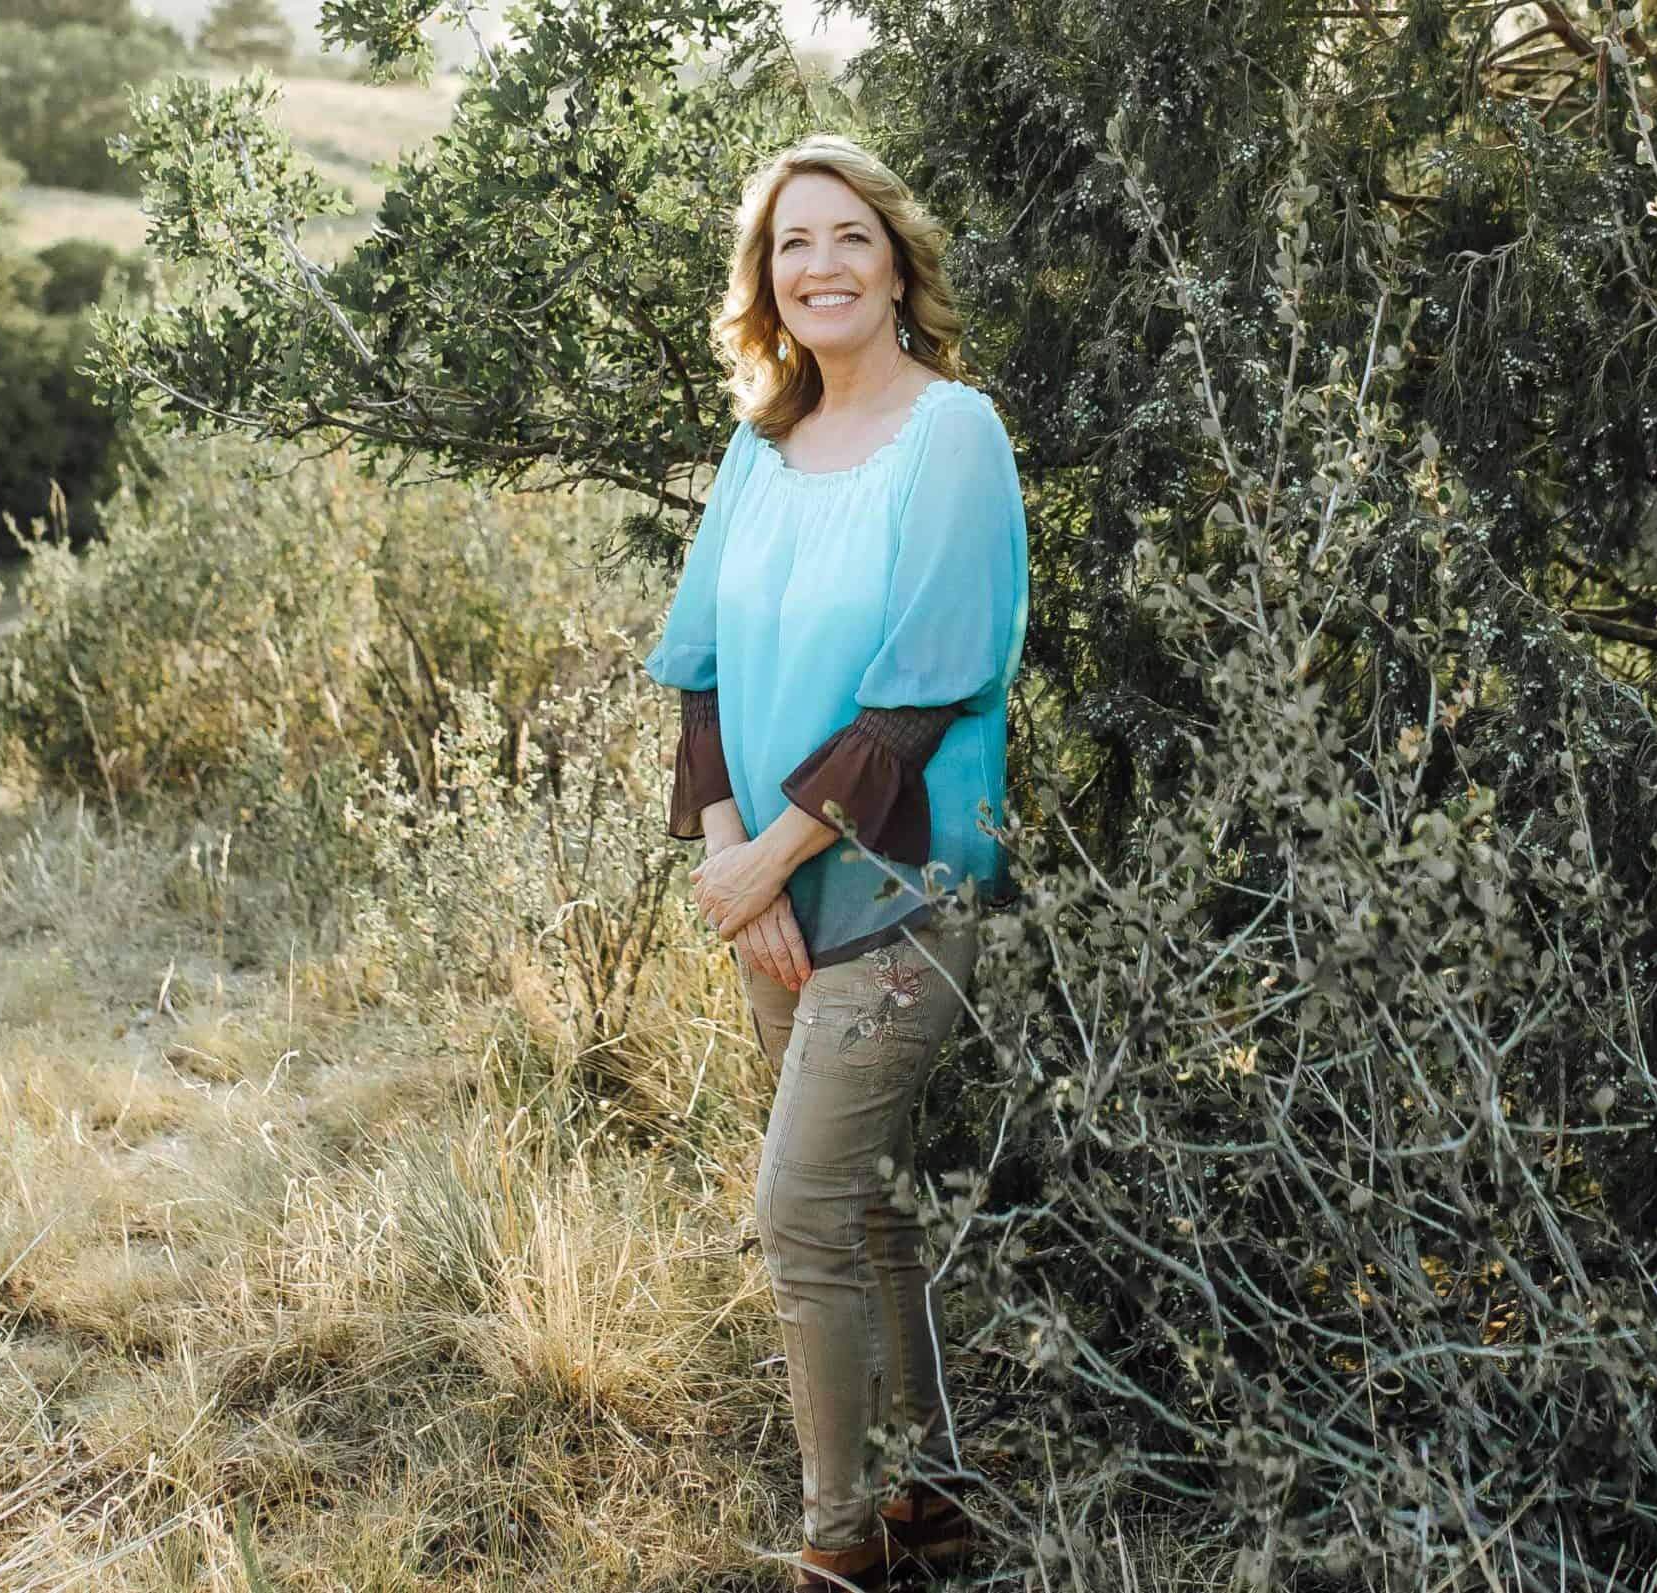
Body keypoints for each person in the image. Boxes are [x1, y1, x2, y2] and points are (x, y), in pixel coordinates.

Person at [639, 132, 1029, 1591]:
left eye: (848, 237)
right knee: (865, 1205)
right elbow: (700, 667)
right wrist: (736, 856)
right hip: (775, 895)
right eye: (792, 245)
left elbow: (923, 689)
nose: (822, 266)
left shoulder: (955, 434)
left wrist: (776, 859)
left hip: (902, 894)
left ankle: (838, 1546)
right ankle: (931, 1493)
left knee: (797, 1206)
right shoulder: (758, 444)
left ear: (895, 260)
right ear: (767, 282)